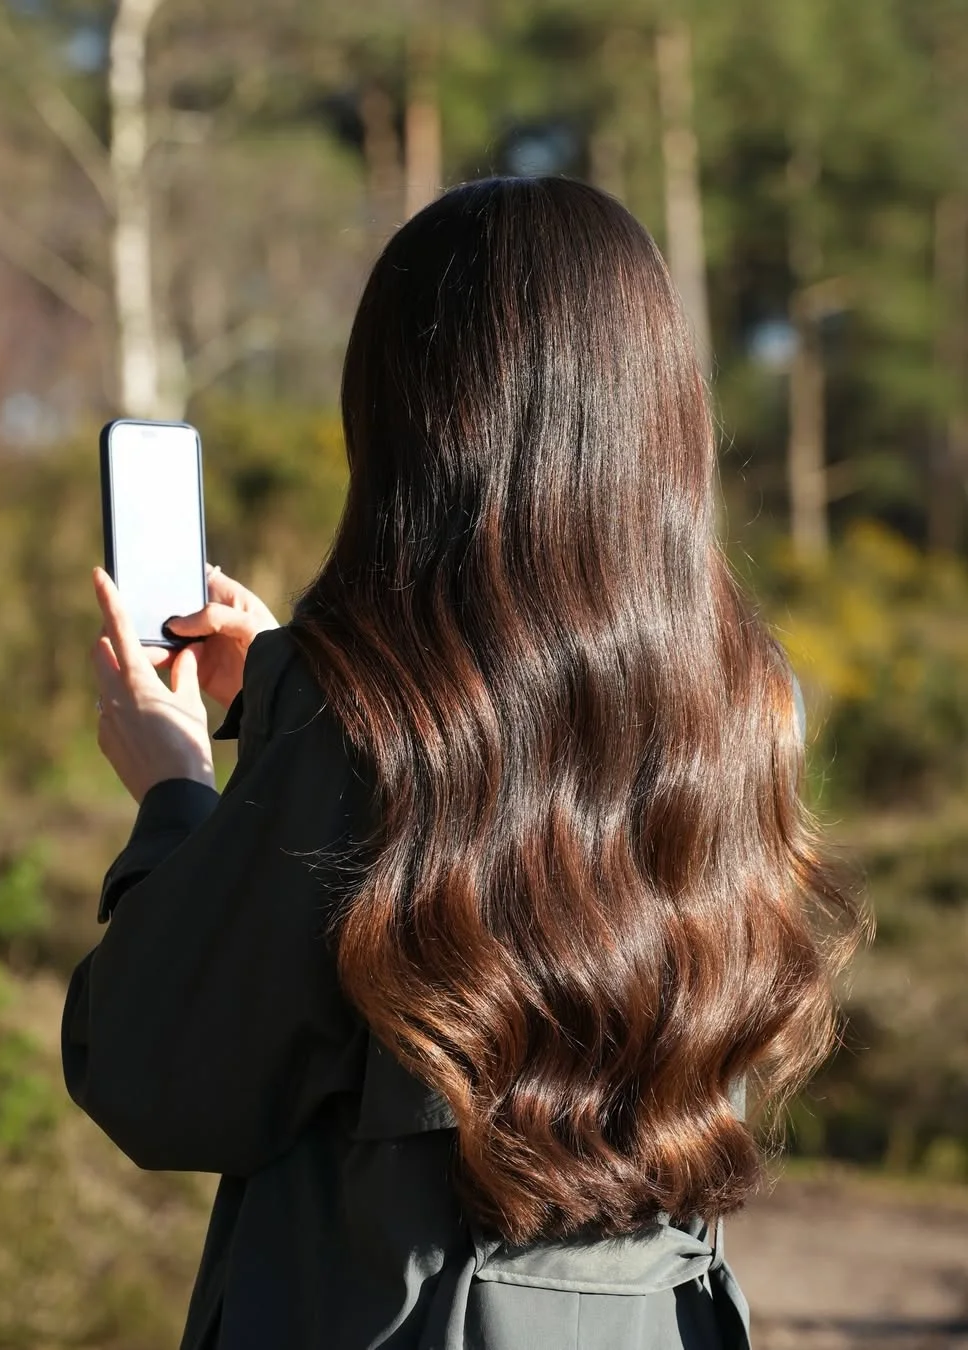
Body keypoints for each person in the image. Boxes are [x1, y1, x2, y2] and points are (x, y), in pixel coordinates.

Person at [63, 177, 863, 1350]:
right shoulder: (748, 704)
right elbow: (525, 756)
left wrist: (177, 793)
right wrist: (290, 686)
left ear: (403, 423)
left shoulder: (362, 739)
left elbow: (158, 1078)